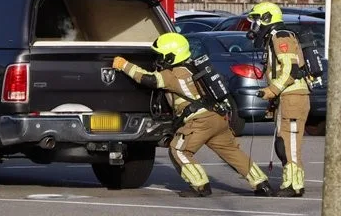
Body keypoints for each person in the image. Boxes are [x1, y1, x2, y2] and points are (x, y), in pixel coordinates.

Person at [112, 32, 273, 197]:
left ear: (171, 56)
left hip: (200, 121)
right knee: (232, 152)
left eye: (161, 55)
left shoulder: (173, 74)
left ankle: (200, 185)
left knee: (179, 150)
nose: (159, 59)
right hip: (218, 117)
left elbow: (149, 79)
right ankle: (261, 183)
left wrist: (124, 65)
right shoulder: (194, 66)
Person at [247, 1, 310, 197]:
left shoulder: (281, 36)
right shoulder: (273, 37)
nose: (254, 25)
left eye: (257, 20)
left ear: (267, 18)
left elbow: (290, 69)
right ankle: (290, 181)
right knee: (283, 143)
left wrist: (272, 90)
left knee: (290, 143)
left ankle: (294, 185)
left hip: (293, 96)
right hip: (287, 96)